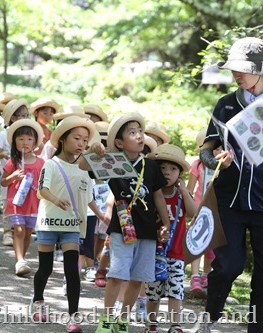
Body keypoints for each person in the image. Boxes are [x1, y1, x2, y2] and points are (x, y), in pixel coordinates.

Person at [192, 37, 263, 333]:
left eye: (243, 69)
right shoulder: (225, 104)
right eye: (234, 69)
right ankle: (208, 320)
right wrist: (217, 158)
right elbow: (205, 152)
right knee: (228, 266)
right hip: (228, 200)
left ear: (261, 70)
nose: (237, 75)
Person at [81, 112, 171, 333]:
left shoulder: (150, 166)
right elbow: (83, 166)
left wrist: (166, 224)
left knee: (138, 277)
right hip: (122, 229)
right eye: (132, 133)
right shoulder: (112, 162)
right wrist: (94, 150)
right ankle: (107, 318)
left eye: (140, 131)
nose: (139, 136)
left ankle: (123, 319)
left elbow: (158, 196)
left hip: (148, 230)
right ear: (120, 143)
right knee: (118, 273)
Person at [30, 116, 96, 333]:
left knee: (72, 271)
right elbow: (41, 190)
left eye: (85, 140)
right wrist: (56, 200)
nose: (81, 143)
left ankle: (73, 316)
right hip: (48, 222)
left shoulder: (85, 168)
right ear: (62, 139)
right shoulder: (51, 164)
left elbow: (90, 196)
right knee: (46, 268)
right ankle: (38, 300)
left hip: (72, 225)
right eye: (76, 138)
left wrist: (101, 215)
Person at [144, 144, 197, 333]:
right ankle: (151, 323)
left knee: (176, 290)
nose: (167, 172)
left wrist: (184, 191)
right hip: (153, 251)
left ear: (180, 174)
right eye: (162, 168)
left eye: (173, 169)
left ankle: (176, 325)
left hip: (176, 252)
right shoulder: (149, 194)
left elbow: (194, 213)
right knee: (153, 291)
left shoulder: (181, 196)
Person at [0, 119, 44, 275]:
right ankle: (20, 261)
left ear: (35, 142)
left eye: (29, 139)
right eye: (21, 139)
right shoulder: (14, 162)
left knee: (27, 232)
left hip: (34, 204)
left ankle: (22, 258)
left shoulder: (41, 163)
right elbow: (3, 182)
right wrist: (13, 177)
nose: (25, 142)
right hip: (16, 203)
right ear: (14, 142)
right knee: (18, 230)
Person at [186, 128, 221, 294]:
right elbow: (190, 189)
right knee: (197, 241)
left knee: (211, 244)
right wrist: (191, 209)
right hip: (199, 208)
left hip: (217, 210)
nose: (215, 151)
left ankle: (207, 274)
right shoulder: (198, 165)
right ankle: (194, 276)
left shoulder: (223, 165)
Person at [0, 98, 31, 246]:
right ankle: (7, 232)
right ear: (13, 118)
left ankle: (18, 230)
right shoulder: (4, 134)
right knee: (7, 202)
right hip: (8, 175)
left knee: (23, 201)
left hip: (25, 176)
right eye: (22, 115)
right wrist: (4, 155)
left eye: (28, 115)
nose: (26, 118)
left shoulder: (29, 134)